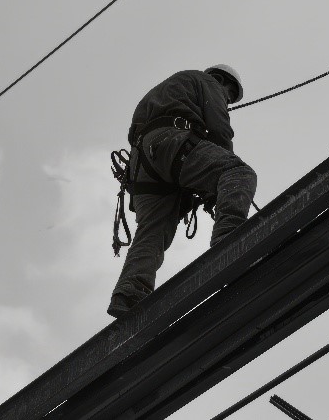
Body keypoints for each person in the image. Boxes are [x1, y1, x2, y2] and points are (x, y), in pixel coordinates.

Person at [107, 65, 257, 318]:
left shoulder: (168, 92)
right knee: (239, 174)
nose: (227, 101)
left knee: (153, 232)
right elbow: (220, 129)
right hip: (170, 143)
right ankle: (229, 240)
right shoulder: (204, 80)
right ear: (221, 80)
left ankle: (130, 293)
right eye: (228, 96)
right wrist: (220, 181)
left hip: (143, 165)